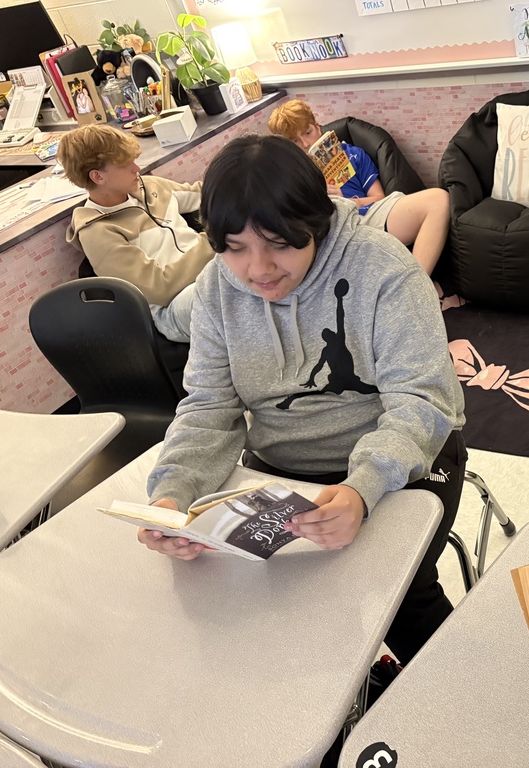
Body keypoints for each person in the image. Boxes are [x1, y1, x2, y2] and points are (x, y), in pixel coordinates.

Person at [140, 134, 466, 666]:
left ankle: (453, 695)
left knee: (399, 591)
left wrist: (362, 487)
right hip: (283, 469)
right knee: (259, 599)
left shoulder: (384, 270)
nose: (259, 269)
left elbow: (423, 400)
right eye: (235, 248)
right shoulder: (216, 290)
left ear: (313, 224)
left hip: (401, 459)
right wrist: (172, 497)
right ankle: (344, 696)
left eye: (279, 243)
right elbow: (208, 409)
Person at [59, 124, 214, 343]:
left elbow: (205, 195)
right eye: (125, 165)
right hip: (172, 308)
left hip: (210, 275)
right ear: (98, 177)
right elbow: (161, 288)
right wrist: (214, 243)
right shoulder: (97, 231)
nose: (136, 168)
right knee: (229, 289)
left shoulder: (148, 187)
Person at [267, 99, 450, 280]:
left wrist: (351, 202)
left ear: (317, 126)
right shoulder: (288, 178)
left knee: (438, 200)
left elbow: (378, 197)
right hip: (328, 236)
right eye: (295, 141)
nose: (306, 144)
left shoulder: (353, 155)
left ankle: (417, 286)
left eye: (308, 132)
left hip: (366, 216)